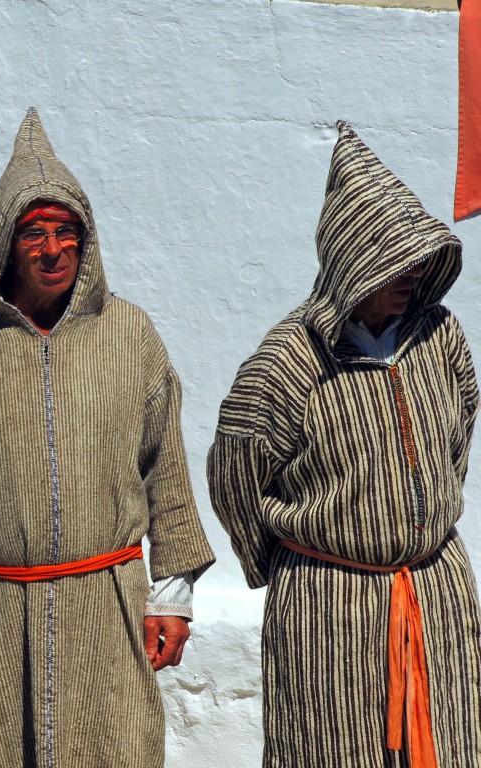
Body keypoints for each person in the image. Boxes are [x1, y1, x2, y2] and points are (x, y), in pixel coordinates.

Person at [0, 108, 216, 768]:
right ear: (4, 242)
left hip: (108, 611)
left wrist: (172, 596)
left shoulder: (131, 336)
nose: (52, 248)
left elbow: (167, 474)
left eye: (66, 231)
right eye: (34, 232)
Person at [207, 121, 481, 766]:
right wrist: (283, 559)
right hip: (330, 606)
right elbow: (235, 474)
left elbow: (459, 431)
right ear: (354, 262)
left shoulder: (439, 337)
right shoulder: (288, 361)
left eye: (415, 260)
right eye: (392, 263)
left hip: (434, 592)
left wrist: (418, 518)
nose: (409, 276)